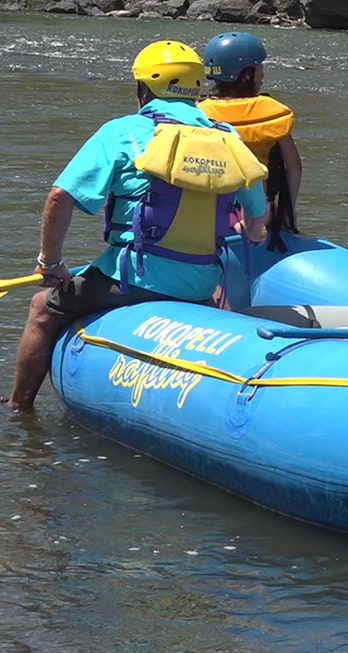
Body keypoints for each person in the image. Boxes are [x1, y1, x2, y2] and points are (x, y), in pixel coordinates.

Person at [6, 40, 268, 411]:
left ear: (143, 89)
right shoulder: (227, 136)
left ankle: (19, 408)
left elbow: (59, 198)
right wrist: (252, 232)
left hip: (132, 282)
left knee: (41, 308)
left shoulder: (122, 132)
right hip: (199, 284)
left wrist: (50, 263)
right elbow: (257, 219)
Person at [199, 31, 302, 251]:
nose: (262, 74)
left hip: (209, 213)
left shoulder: (198, 114)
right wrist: (286, 217)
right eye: (259, 68)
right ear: (246, 75)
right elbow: (294, 167)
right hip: (259, 213)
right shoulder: (272, 113)